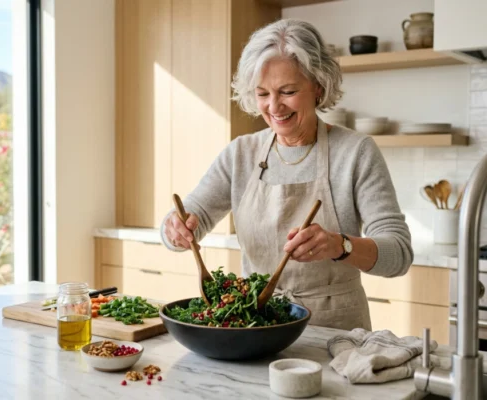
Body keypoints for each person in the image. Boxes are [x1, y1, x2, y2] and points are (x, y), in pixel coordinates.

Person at [159, 19, 413, 331]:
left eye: (288, 91)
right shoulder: (240, 154)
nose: (274, 106)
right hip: (257, 328)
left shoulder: (356, 152)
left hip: (336, 336)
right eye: (262, 93)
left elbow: (399, 254)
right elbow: (189, 219)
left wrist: (339, 246)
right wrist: (176, 228)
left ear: (318, 86)